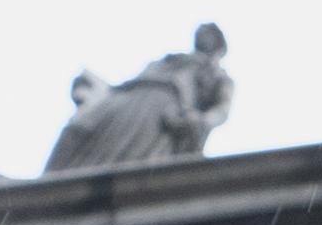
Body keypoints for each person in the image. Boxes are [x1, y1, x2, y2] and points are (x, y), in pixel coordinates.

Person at [42, 23, 233, 174]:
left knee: (130, 160)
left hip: (161, 108)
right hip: (129, 98)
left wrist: (200, 121)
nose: (203, 36)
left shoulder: (216, 74)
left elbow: (221, 110)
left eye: (209, 34)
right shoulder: (169, 59)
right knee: (77, 129)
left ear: (217, 45)